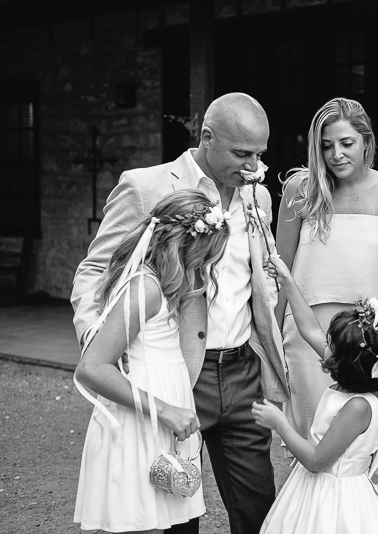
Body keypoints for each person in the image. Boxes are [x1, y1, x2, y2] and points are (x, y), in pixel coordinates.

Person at [71, 93, 285, 534]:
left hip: (244, 367)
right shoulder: (145, 185)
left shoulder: (258, 197)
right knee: (175, 508)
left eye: (259, 155)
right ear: (207, 138)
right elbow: (96, 267)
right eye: (241, 154)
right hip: (180, 371)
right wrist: (102, 337)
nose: (251, 166)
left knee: (259, 507)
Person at [74, 189, 229, 532]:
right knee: (140, 525)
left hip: (158, 421)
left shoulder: (164, 284)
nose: (207, 266)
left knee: (155, 525)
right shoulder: (145, 288)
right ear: (180, 244)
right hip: (140, 421)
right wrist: (166, 410)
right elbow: (92, 368)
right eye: (205, 255)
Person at [275, 97, 378, 454]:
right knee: (311, 442)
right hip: (306, 333)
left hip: (366, 337)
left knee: (365, 446)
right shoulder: (300, 191)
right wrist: (270, 337)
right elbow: (279, 269)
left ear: (366, 141)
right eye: (326, 145)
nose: (336, 154)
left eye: (346, 143)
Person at [252, 253, 378, 534]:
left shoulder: (358, 406)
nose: (326, 345)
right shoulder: (354, 374)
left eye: (331, 344)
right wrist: (286, 279)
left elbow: (315, 461)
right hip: (317, 488)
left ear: (346, 362)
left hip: (336, 500)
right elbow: (308, 327)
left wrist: (280, 423)